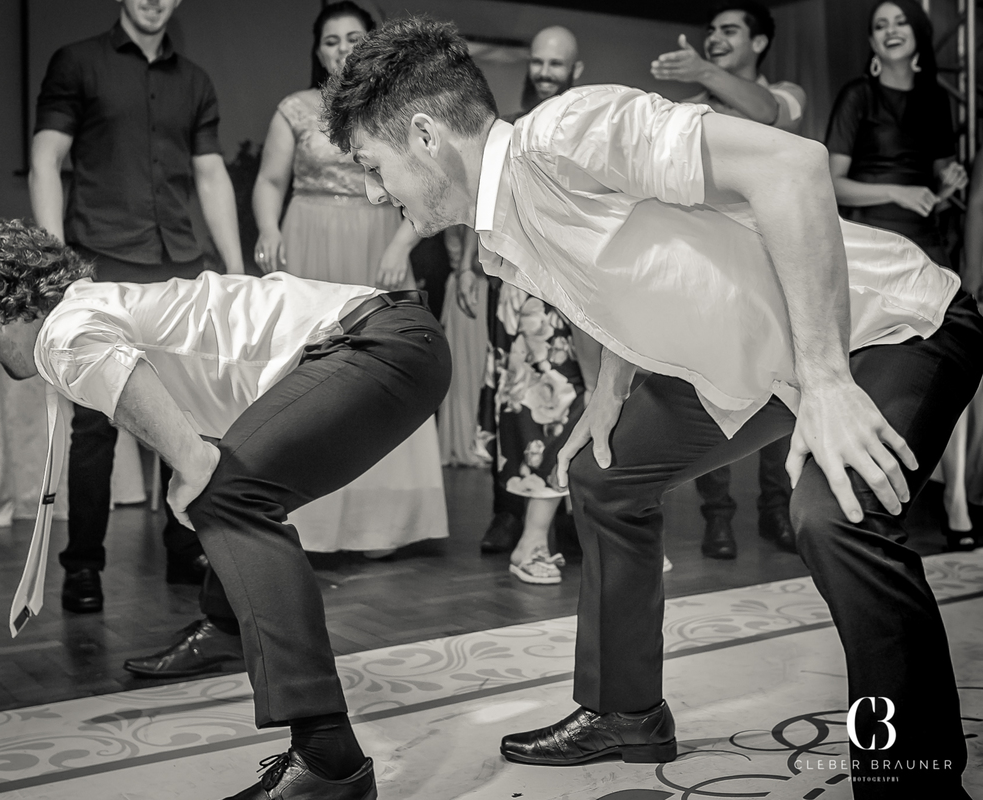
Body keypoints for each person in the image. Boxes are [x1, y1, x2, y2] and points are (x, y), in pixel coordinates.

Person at [324, 18, 980, 797]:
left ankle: (915, 775)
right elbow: (596, 285)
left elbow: (795, 168)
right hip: (756, 367)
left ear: (426, 136)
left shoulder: (574, 131)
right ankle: (623, 711)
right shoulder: (503, 221)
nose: (373, 192)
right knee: (604, 478)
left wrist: (829, 380)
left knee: (832, 517)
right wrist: (607, 392)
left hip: (882, 326)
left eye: (372, 167)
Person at [0, 218, 448, 800]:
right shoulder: (96, 307)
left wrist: (189, 478)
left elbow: (196, 462)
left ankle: (328, 759)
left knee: (225, 496)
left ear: (0, 312)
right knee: (232, 484)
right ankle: (229, 623)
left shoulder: (63, 334)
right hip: (396, 338)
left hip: (375, 348)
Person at [29, 0, 245, 613]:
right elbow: (47, 159)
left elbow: (210, 174)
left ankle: (185, 550)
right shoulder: (77, 62)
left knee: (184, 415)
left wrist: (232, 268)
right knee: (96, 424)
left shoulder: (196, 81)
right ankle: (84, 565)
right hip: (98, 261)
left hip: (178, 264)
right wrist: (55, 264)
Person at [250, 0, 447, 556]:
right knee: (307, 366)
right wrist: (268, 228)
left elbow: (430, 181)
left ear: (371, 44)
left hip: (376, 240)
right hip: (309, 236)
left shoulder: (398, 107)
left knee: (383, 365)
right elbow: (269, 180)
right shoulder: (293, 108)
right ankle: (304, 519)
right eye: (331, 40)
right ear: (317, 49)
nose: (342, 48)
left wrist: (401, 241)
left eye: (353, 38)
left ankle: (383, 523)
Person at [652, 1, 806, 559]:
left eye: (729, 30)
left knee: (782, 386)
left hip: (776, 261)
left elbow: (765, 111)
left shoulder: (788, 92)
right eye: (710, 30)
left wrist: (703, 71)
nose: (715, 38)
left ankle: (776, 511)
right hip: (712, 264)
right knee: (709, 387)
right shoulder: (691, 110)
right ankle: (717, 516)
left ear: (759, 42)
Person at [826, 0, 973, 550]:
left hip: (928, 247)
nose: (889, 32)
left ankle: (954, 500)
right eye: (879, 25)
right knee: (874, 380)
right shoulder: (857, 96)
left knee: (942, 378)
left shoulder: (936, 100)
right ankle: (866, 505)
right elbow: (831, 184)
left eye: (899, 23)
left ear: (918, 35)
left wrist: (949, 182)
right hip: (871, 249)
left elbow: (934, 184)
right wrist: (894, 190)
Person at [462, 26, 595, 583]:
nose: (543, 70)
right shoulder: (510, 130)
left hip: (578, 279)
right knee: (544, 402)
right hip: (526, 288)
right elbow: (488, 201)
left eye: (554, 62)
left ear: (575, 69)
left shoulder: (587, 125)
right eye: (536, 61)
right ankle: (531, 538)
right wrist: (476, 265)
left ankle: (584, 533)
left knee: (580, 399)